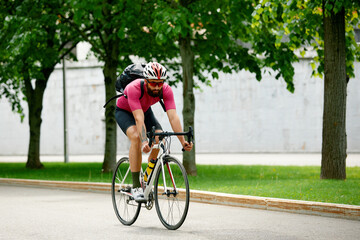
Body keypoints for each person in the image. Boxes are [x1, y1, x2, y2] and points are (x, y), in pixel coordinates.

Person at [115, 62, 193, 202]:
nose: (157, 87)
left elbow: (173, 117)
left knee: (160, 139)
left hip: (145, 111)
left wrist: (183, 142)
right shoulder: (133, 88)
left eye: (160, 83)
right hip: (125, 112)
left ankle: (146, 177)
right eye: (153, 83)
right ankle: (136, 186)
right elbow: (139, 119)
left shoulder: (166, 90)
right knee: (135, 137)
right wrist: (144, 140)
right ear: (146, 81)